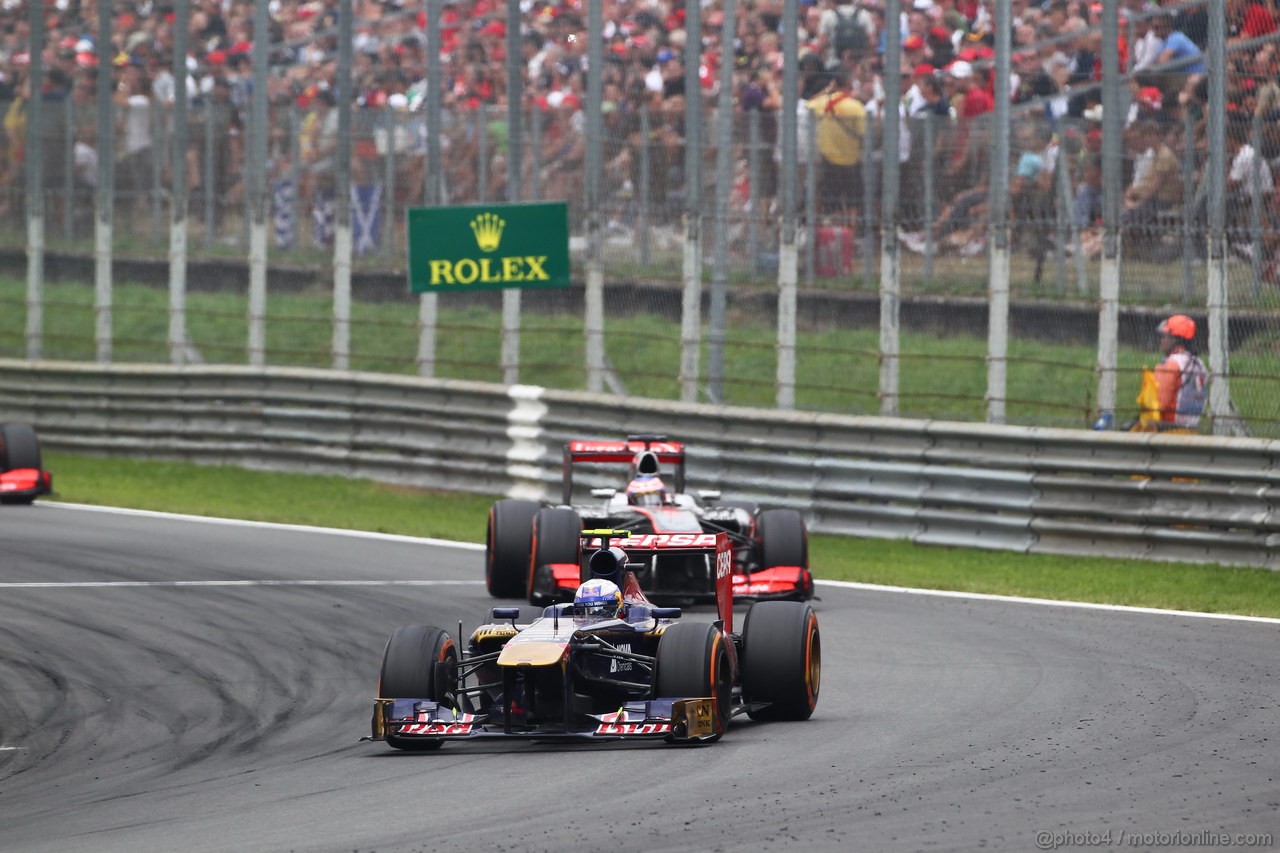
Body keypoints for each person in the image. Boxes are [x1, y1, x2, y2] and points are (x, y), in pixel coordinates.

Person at [1151, 314, 1208, 431]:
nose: (1161, 340)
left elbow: (1159, 404)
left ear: (1175, 339)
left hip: (1168, 430)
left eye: (1164, 336)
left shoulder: (1172, 364)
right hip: (1191, 430)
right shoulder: (1199, 364)